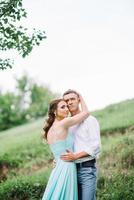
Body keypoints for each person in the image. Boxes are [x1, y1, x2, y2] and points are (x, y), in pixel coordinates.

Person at [42, 94, 90, 200]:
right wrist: (80, 97)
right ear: (55, 111)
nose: (67, 109)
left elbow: (58, 151)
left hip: (57, 168)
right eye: (62, 107)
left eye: (66, 106)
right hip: (67, 167)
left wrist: (55, 159)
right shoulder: (64, 123)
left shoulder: (49, 131)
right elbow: (86, 113)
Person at [60, 89, 101, 200]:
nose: (70, 102)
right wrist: (58, 159)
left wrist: (75, 156)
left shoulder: (90, 120)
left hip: (86, 170)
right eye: (67, 100)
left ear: (79, 100)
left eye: (72, 99)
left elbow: (96, 146)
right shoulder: (67, 123)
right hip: (70, 171)